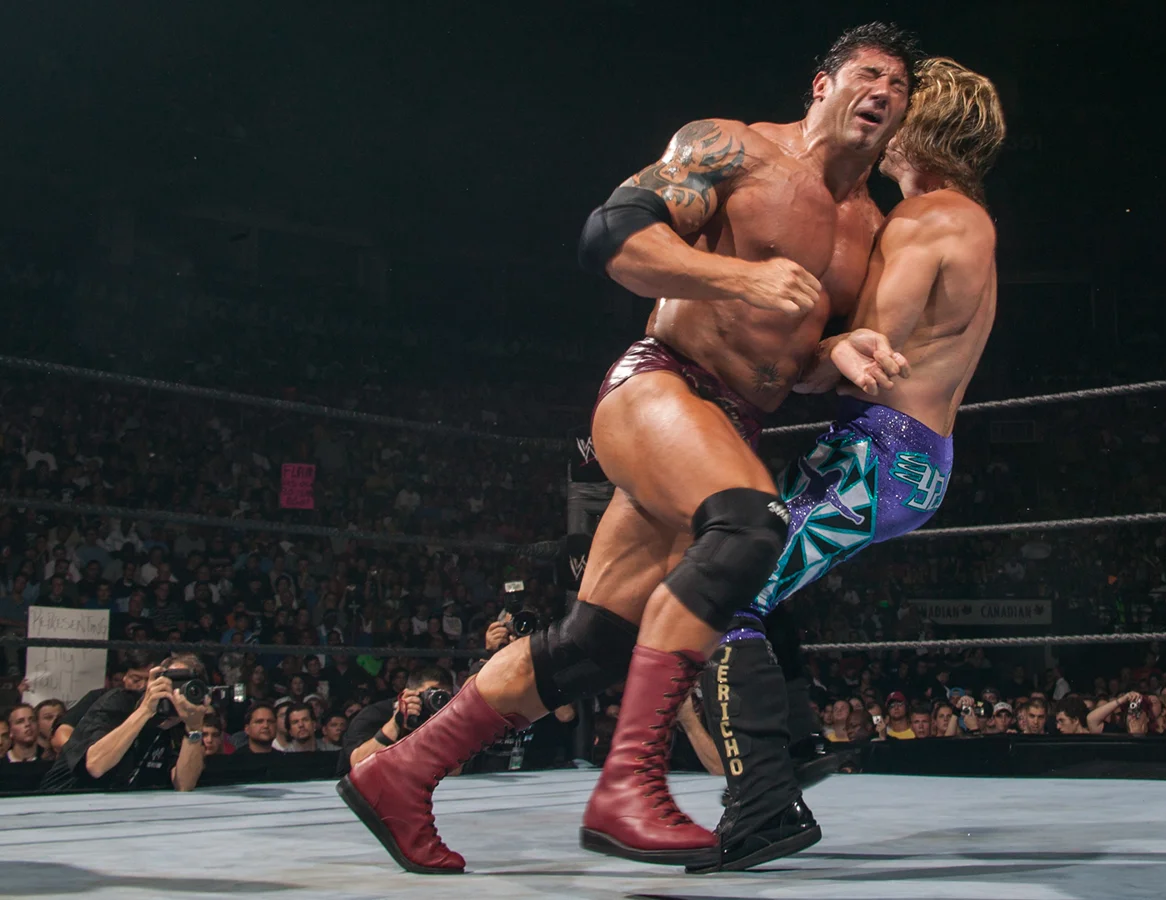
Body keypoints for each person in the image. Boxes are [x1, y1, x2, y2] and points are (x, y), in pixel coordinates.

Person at [337, 22, 920, 875]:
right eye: (869, 74)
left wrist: (839, 350)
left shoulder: (873, 226)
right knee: (751, 526)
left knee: (594, 642)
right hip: (662, 386)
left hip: (728, 426)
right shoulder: (737, 150)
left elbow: (795, 354)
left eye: (899, 87)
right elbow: (611, 236)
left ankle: (401, 772)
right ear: (822, 85)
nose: (884, 93)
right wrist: (739, 276)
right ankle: (627, 786)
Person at [697, 54, 1005, 873]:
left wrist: (784, 330)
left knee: (717, 598)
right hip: (901, 456)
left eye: (899, 108)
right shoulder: (967, 217)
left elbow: (864, 350)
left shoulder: (924, 219)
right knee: (744, 562)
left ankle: (766, 807)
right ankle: (796, 742)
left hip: (877, 457)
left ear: (918, 128)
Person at [38, 656, 211, 792]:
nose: (176, 694)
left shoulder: (184, 726)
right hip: (65, 798)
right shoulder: (119, 702)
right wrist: (146, 710)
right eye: (173, 683)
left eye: (185, 688)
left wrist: (194, 728)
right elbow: (95, 766)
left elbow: (184, 785)